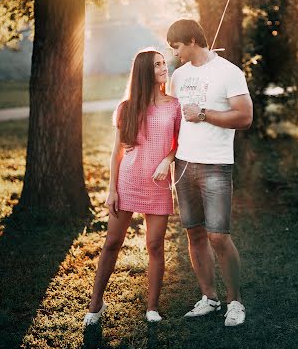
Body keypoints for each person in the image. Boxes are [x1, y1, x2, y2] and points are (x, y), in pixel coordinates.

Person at [83, 48, 181, 326]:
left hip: (159, 183)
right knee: (112, 243)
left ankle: (152, 308)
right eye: (157, 65)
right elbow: (116, 152)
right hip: (127, 182)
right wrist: (112, 189)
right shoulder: (126, 107)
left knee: (154, 246)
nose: (164, 67)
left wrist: (168, 159)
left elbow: (180, 142)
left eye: (164, 63)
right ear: (143, 72)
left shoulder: (174, 105)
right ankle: (95, 304)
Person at [167, 19, 253, 327]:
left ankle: (235, 302)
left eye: (176, 46)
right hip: (183, 164)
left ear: (191, 40)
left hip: (215, 163)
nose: (174, 54)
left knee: (218, 236)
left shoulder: (229, 72)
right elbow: (170, 121)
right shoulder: (178, 76)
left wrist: (203, 114)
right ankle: (209, 298)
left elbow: (244, 117)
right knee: (194, 234)